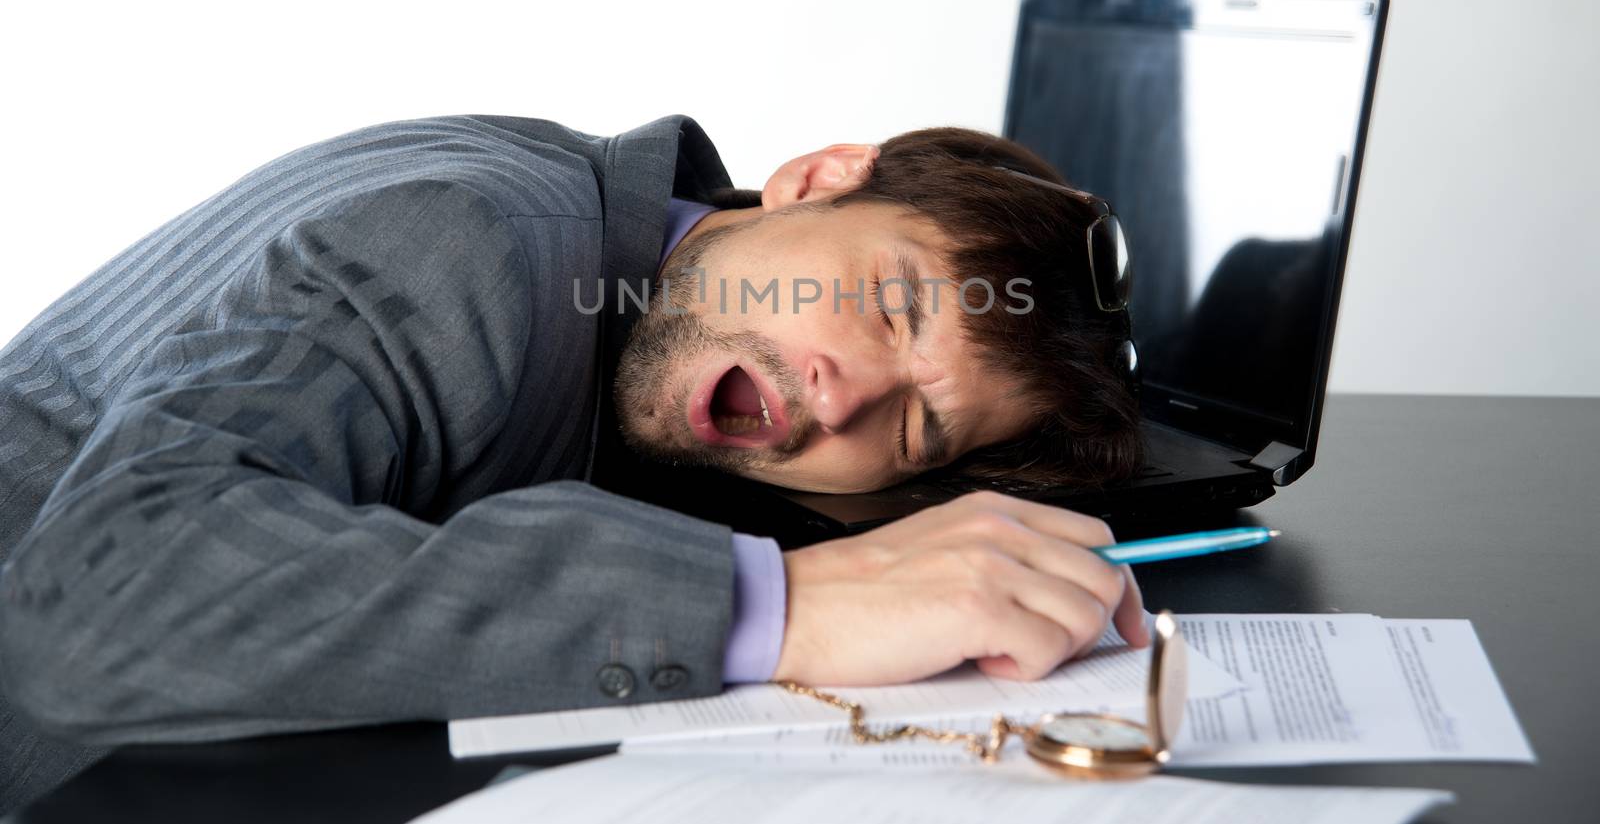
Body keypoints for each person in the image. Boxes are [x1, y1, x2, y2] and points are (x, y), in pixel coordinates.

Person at [0, 114, 1146, 811]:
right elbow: (96, 604)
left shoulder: (623, 246)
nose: (844, 392)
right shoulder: (471, 245)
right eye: (889, 305)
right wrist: (783, 604)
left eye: (911, 435)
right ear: (818, 176)